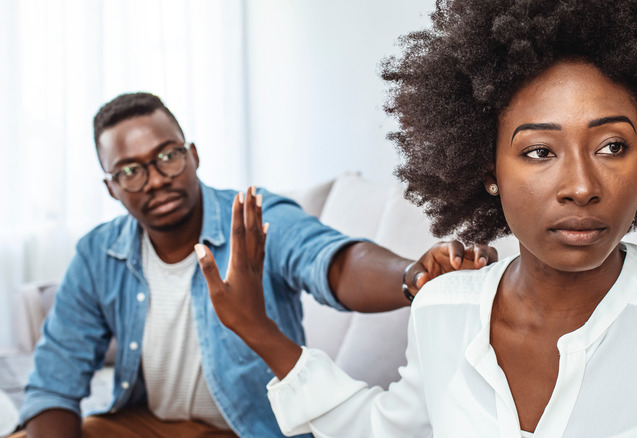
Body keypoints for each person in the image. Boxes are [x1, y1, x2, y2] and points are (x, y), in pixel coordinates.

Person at [197, 0, 637, 436]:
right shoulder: (445, 308)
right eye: (538, 152)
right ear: (487, 166)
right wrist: (259, 331)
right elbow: (382, 431)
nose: (581, 186)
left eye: (611, 147)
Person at [12, 92, 497, 438]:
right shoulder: (99, 253)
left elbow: (333, 263)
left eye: (167, 156)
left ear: (193, 155)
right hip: (148, 424)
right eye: (131, 171)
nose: (155, 180)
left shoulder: (255, 217)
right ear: (112, 188)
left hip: (252, 430)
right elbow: (54, 381)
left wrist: (413, 276)